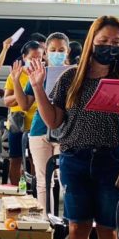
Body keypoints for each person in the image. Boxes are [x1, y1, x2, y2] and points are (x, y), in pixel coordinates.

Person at [29, 17, 119, 239]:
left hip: (113, 159)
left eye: (115, 42)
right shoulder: (70, 77)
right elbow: (53, 121)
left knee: (108, 228)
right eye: (103, 40)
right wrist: (38, 88)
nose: (109, 46)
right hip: (75, 158)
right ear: (91, 42)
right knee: (77, 226)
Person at [11, 32, 69, 208]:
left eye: (61, 50)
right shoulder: (39, 73)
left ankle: (70, 223)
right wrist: (15, 81)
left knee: (68, 181)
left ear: (68, 52)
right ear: (46, 52)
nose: (56, 53)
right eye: (52, 49)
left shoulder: (74, 74)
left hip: (66, 131)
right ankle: (46, 223)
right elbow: (24, 105)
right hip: (39, 131)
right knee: (43, 181)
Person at [3, 40, 43, 185]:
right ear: (24, 58)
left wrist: (22, 97)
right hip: (17, 122)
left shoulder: (43, 75)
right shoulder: (15, 75)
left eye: (39, 58)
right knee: (15, 159)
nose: (36, 61)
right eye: (32, 58)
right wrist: (22, 96)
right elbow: (6, 101)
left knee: (35, 159)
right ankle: (14, 191)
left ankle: (33, 191)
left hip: (36, 123)